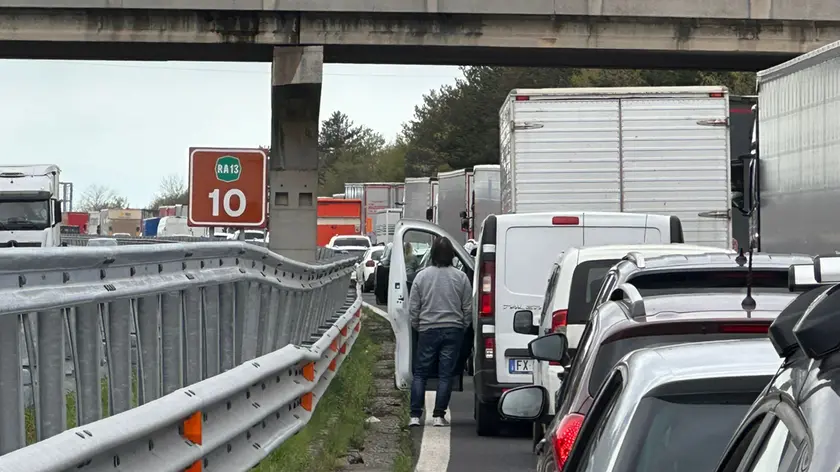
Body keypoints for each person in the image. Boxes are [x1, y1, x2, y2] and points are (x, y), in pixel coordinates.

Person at [408, 237, 472, 427]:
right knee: (446, 375)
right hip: (453, 330)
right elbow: (468, 308)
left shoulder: (421, 276)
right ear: (452, 255)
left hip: (428, 329)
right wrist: (463, 326)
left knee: (420, 373)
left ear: (433, 254)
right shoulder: (461, 277)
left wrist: (418, 326)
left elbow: (413, 308)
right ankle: (438, 415)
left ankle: (414, 416)